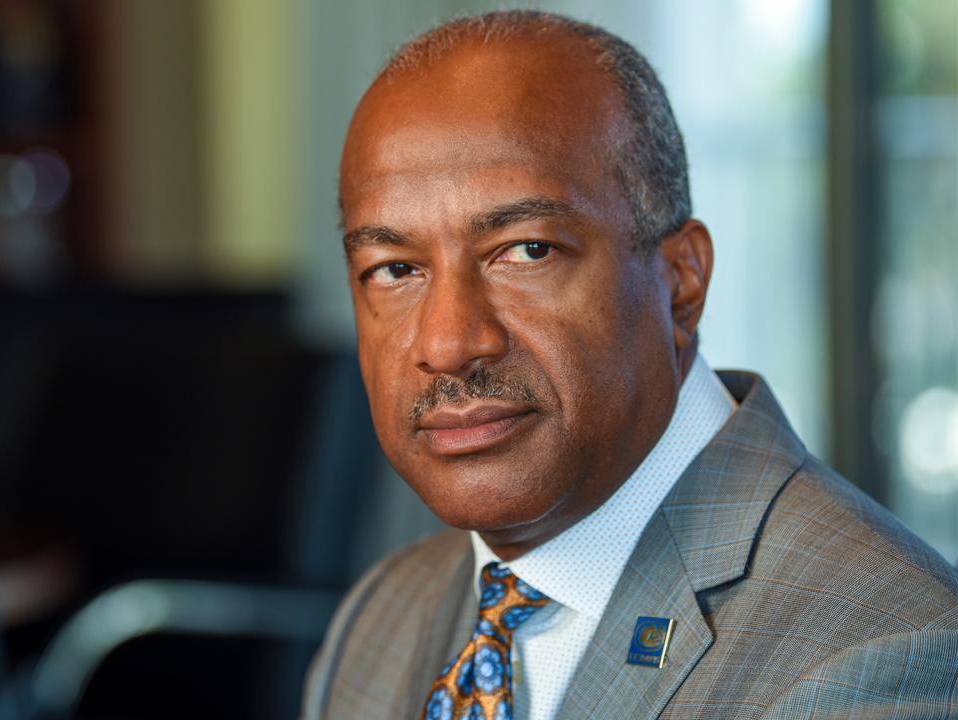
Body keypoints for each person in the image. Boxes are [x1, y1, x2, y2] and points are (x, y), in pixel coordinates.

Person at [300, 10, 958, 720]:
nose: (450, 343)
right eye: (395, 268)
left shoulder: (881, 655)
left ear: (681, 280)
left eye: (527, 251)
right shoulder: (377, 621)